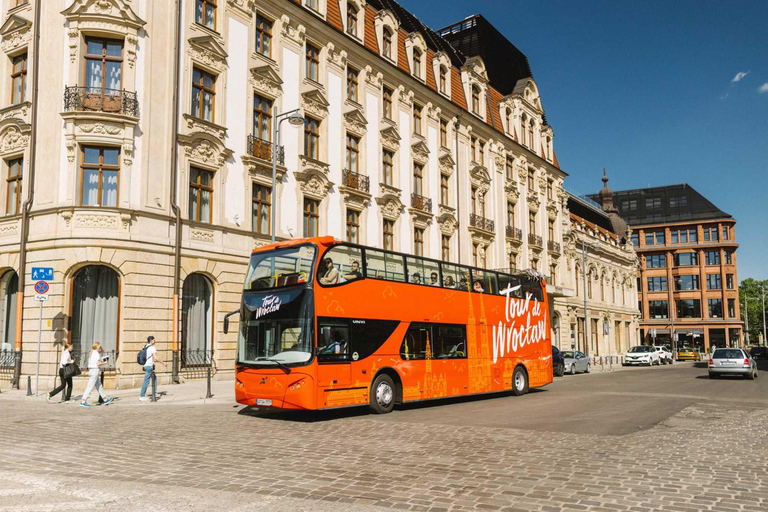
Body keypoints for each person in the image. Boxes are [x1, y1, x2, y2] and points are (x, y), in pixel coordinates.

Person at [80, 342, 113, 407]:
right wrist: (105, 362)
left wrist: (101, 347)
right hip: (94, 370)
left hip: (92, 370)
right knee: (90, 386)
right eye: (99, 346)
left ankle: (105, 399)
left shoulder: (92, 352)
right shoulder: (96, 353)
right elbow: (98, 363)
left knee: (99, 386)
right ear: (97, 346)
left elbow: (102, 351)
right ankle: (83, 401)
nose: (100, 347)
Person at [140, 336, 167, 401]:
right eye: (154, 340)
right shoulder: (152, 347)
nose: (155, 341)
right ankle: (142, 396)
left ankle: (154, 392)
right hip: (149, 366)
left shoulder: (145, 346)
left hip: (145, 365)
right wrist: (163, 363)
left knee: (154, 378)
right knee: (146, 381)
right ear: (151, 340)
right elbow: (156, 358)